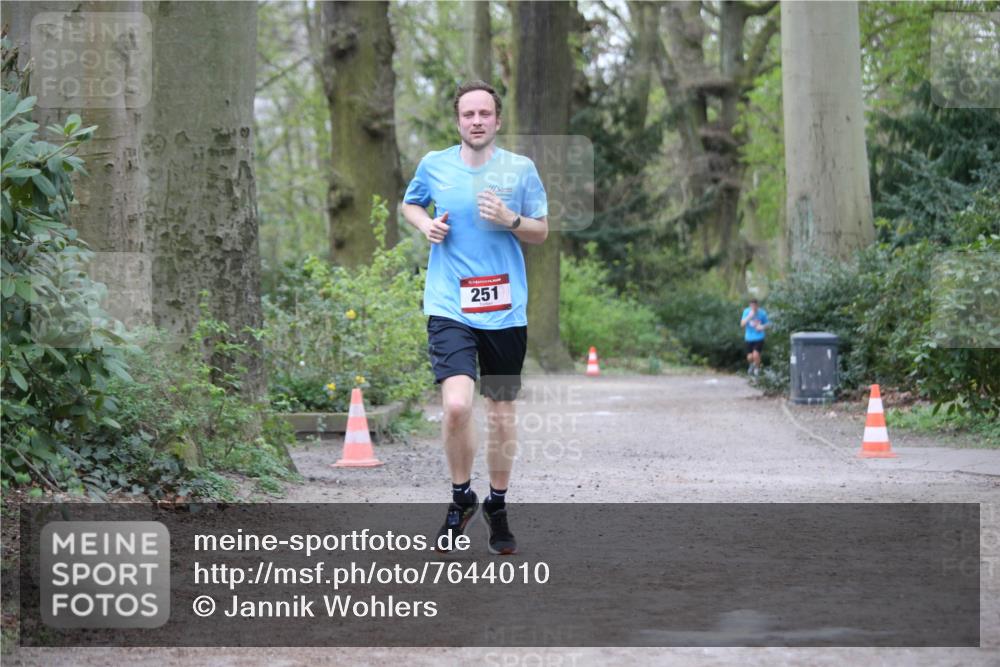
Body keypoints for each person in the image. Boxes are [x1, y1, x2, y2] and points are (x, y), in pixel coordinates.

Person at [401, 80, 548, 555]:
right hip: (449, 306)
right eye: (469, 114)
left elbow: (541, 231)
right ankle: (461, 495)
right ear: (458, 121)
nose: (477, 121)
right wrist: (426, 224)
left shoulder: (520, 170)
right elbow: (410, 203)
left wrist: (510, 218)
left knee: (501, 412)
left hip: (505, 312)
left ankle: (497, 504)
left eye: (485, 113)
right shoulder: (434, 165)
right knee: (458, 406)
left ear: (498, 121)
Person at [740, 298, 769, 376]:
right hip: (749, 337)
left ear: (757, 305)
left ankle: (757, 369)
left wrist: (762, 327)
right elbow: (742, 325)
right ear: (750, 306)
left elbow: (768, 324)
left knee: (756, 354)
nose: (753, 307)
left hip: (759, 337)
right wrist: (749, 317)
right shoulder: (746, 312)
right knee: (750, 357)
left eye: (754, 306)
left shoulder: (762, 313)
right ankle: (751, 365)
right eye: (751, 306)